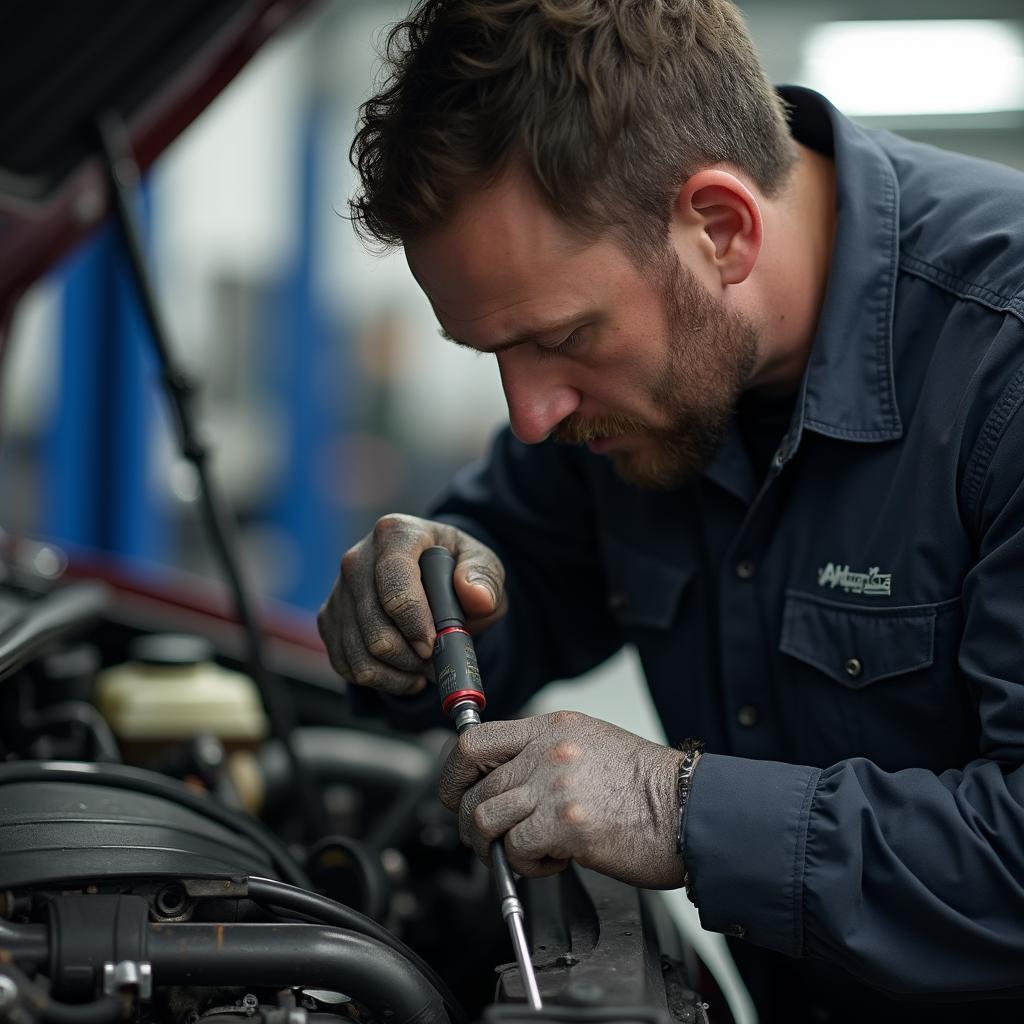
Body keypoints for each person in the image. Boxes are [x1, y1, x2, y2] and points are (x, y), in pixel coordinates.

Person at [317, 1, 1024, 1020]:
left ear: (721, 227)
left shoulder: (999, 365)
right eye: (493, 355)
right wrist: (413, 608)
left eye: (561, 336)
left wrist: (676, 808)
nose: (528, 413)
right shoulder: (628, 395)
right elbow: (507, 569)